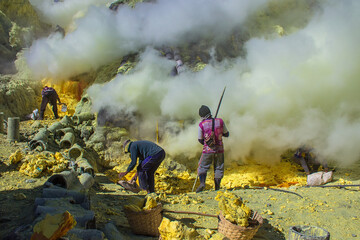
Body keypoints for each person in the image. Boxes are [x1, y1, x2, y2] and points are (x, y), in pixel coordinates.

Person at [196, 105, 229, 193]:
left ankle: (202, 183)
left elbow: (200, 139)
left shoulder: (201, 124)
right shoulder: (220, 121)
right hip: (220, 150)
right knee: (219, 167)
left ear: (202, 115)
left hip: (207, 150)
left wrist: (207, 143)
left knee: (202, 166)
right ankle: (217, 187)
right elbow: (226, 134)